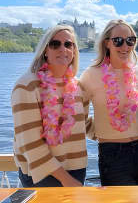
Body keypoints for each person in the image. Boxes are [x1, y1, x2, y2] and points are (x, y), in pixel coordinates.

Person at [11, 24, 88, 187]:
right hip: (42, 175)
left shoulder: (78, 86)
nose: (63, 49)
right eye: (55, 44)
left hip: (77, 170)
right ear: (45, 50)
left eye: (68, 44)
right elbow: (30, 143)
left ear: (74, 51)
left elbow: (84, 125)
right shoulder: (27, 86)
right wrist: (66, 180)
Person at [80, 19, 138, 186]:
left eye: (130, 40)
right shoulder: (91, 74)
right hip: (112, 154)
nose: (125, 46)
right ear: (107, 43)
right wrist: (100, 133)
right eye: (118, 41)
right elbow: (79, 115)